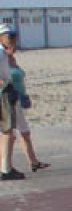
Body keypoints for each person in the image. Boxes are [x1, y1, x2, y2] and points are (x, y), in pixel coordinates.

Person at [0, 24, 45, 180]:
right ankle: (5, 169)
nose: (11, 39)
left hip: (11, 95)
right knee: (8, 133)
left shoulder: (6, 56)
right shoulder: (1, 54)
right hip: (6, 95)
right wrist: (4, 84)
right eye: (8, 36)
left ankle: (9, 167)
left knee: (11, 132)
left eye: (13, 36)